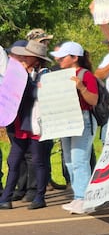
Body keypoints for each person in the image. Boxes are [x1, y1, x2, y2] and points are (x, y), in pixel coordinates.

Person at [0, 40, 52, 210]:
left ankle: (39, 196)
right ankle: (6, 198)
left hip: (36, 124)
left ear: (36, 59)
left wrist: (24, 79)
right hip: (20, 124)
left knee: (38, 160)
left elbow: (36, 93)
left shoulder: (45, 73)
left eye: (27, 55)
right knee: (13, 161)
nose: (23, 57)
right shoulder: (18, 72)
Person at [51, 41, 100, 215]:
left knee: (79, 159)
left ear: (74, 58)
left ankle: (84, 198)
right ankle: (78, 196)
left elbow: (93, 100)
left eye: (63, 57)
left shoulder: (86, 75)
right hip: (66, 120)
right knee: (70, 161)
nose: (59, 60)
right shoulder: (62, 75)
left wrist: (81, 87)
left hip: (82, 120)